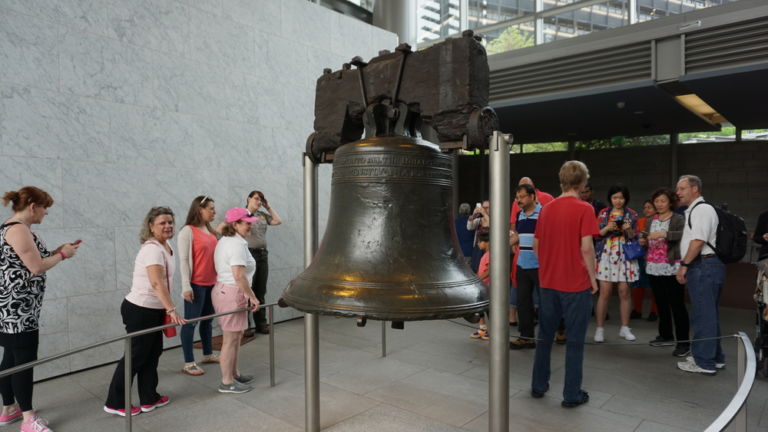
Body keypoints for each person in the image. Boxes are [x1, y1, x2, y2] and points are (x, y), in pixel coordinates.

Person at [0, 187, 79, 432]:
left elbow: (28, 262)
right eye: (45, 207)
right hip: (18, 312)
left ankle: (8, 409)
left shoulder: (11, 228)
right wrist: (63, 256)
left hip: (14, 310)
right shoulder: (18, 230)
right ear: (33, 206)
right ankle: (28, 418)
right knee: (23, 361)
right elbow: (35, 267)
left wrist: (56, 252)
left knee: (11, 359)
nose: (46, 213)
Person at [104, 207, 185, 417]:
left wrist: (165, 308)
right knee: (135, 356)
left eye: (170, 222)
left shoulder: (166, 245)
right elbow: (157, 283)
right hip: (140, 309)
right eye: (162, 223)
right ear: (151, 226)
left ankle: (149, 398)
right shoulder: (152, 249)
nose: (167, 226)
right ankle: (115, 402)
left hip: (153, 309)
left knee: (152, 354)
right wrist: (172, 309)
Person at [532, 160, 598, 408]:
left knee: (545, 337)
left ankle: (538, 386)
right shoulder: (585, 209)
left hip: (548, 283)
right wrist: (593, 280)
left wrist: (550, 265)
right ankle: (571, 395)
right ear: (582, 182)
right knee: (574, 341)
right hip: (576, 285)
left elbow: (537, 246)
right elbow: (587, 248)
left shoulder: (546, 209)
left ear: (561, 181)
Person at [675, 175, 725, 375]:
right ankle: (716, 357)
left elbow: (698, 241)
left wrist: (684, 265)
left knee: (702, 315)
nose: (678, 192)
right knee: (709, 314)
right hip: (707, 266)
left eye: (682, 188)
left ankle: (704, 362)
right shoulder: (696, 210)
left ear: (694, 188)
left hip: (704, 266)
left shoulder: (702, 209)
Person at [213, 208, 260, 393]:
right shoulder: (236, 245)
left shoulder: (229, 241)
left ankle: (234, 374)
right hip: (232, 294)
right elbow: (238, 275)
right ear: (235, 224)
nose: (250, 226)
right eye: (246, 223)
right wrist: (252, 296)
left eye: (250, 222)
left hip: (229, 292)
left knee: (236, 337)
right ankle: (226, 382)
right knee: (230, 339)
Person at [643, 188, 690, 357]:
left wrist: (664, 233)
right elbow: (648, 238)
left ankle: (684, 342)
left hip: (671, 266)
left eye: (663, 201)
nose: (659, 204)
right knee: (661, 303)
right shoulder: (651, 220)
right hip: (653, 266)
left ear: (670, 202)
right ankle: (665, 335)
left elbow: (684, 235)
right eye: (656, 201)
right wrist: (644, 240)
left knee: (677, 304)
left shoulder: (678, 218)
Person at [178, 196, 220, 376]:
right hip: (196, 285)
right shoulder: (187, 231)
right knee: (190, 324)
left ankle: (208, 354)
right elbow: (184, 260)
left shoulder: (210, 231)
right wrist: (186, 286)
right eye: (210, 208)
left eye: (213, 208)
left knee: (207, 322)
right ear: (199, 210)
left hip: (212, 284)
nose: (214, 212)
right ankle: (188, 363)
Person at [594, 184, 639, 342]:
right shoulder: (603, 213)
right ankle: (599, 329)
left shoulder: (632, 214)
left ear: (625, 199)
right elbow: (597, 234)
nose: (618, 201)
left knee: (624, 292)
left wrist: (628, 229)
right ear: (610, 198)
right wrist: (607, 227)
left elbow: (635, 237)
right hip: (606, 253)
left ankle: (625, 328)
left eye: (621, 198)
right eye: (615, 198)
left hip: (625, 254)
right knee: (604, 293)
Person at [243, 191, 281, 337]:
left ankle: (261, 324)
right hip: (248, 254)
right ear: (249, 199)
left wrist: (268, 206)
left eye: (261, 200)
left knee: (260, 291)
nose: (258, 202)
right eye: (256, 199)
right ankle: (245, 326)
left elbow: (278, 221)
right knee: (248, 291)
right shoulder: (242, 214)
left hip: (263, 255)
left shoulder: (262, 215)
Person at [509, 184, 541, 350]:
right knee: (523, 302)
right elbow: (518, 237)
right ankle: (527, 337)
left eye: (522, 196)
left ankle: (559, 331)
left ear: (532, 196)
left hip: (541, 265)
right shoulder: (519, 215)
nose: (519, 200)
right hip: (523, 264)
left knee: (547, 300)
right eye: (517, 197)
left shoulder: (543, 213)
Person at [631, 199, 658, 322]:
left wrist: (648, 242)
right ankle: (637, 310)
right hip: (640, 256)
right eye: (645, 207)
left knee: (654, 286)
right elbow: (634, 237)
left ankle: (654, 311)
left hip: (655, 257)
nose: (646, 210)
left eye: (649, 207)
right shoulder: (639, 221)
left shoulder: (659, 222)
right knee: (637, 284)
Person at [469, 232, 491, 341]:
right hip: (483, 286)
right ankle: (482, 328)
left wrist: (478, 279)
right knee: (480, 308)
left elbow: (489, 270)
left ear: (486, 243)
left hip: (488, 286)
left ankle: (495, 331)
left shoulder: (490, 255)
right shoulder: (485, 254)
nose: (478, 244)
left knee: (490, 310)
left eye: (479, 242)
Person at [467, 200, 490, 272]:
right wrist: (473, 214)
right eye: (483, 207)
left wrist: (484, 213)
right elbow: (469, 227)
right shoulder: (479, 220)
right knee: (475, 268)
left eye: (487, 207)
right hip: (478, 247)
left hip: (487, 249)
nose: (485, 209)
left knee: (484, 269)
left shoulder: (494, 219)